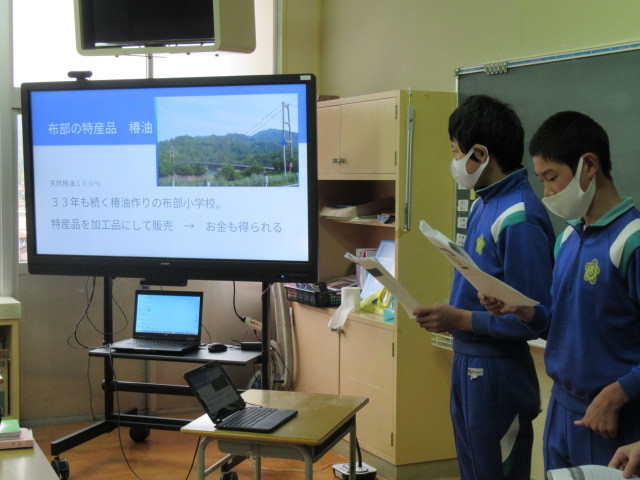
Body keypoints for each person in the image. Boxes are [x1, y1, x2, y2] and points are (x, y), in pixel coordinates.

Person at [481, 111, 640, 472]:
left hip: (613, 417)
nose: (547, 193)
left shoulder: (631, 241)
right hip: (561, 407)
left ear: (589, 166)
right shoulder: (567, 237)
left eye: (552, 178)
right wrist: (521, 309)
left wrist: (619, 393)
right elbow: (563, 322)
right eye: (541, 181)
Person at [413, 95, 555, 480]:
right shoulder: (482, 204)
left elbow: (533, 317)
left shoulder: (518, 217)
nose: (454, 161)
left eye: (456, 152)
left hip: (497, 371)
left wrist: (459, 318)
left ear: (480, 154)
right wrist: (454, 318)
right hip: (468, 361)